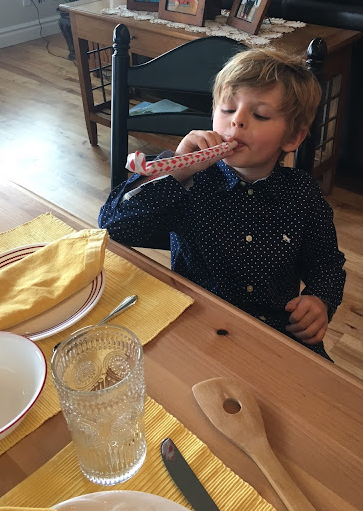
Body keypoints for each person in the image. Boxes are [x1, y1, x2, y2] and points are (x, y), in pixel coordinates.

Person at [99, 48, 346, 360]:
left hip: (275, 334)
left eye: (260, 115)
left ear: (293, 138)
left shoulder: (302, 195)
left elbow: (327, 264)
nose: (237, 120)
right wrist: (179, 169)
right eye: (228, 109)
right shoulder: (189, 180)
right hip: (195, 328)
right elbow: (112, 227)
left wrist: (320, 300)